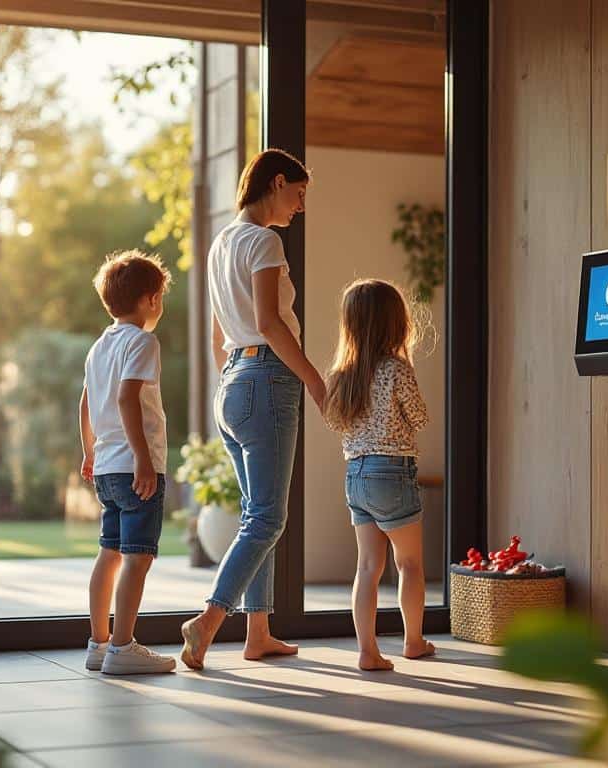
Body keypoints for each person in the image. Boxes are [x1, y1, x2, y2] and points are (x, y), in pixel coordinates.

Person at [180, 149, 321, 670]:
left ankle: (258, 632)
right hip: (266, 380)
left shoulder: (221, 243)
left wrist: (234, 381)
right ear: (277, 182)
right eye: (298, 194)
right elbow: (268, 322)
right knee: (267, 517)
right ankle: (208, 620)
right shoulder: (264, 241)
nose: (300, 206)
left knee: (256, 514)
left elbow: (220, 332)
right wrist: (314, 380)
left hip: (233, 382)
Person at [322, 279, 435, 671]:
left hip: (356, 475)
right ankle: (414, 641)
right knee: (410, 564)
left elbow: (338, 423)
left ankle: (367, 651)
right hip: (392, 473)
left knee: (368, 568)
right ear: (395, 322)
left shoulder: (343, 374)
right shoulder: (395, 369)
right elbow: (419, 417)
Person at [79, 250, 176, 674]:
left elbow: (86, 403)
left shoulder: (99, 346)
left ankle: (99, 644)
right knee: (138, 557)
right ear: (151, 299)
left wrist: (89, 451)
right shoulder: (143, 341)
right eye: (161, 297)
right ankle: (122, 648)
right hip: (134, 467)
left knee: (110, 553)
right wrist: (143, 459)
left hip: (106, 466)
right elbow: (126, 398)